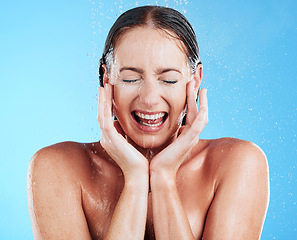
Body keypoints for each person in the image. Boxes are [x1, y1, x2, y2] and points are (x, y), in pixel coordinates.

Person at [27, 5, 269, 240]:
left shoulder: (237, 163)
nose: (150, 99)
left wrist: (163, 178)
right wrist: (135, 179)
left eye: (169, 80)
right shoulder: (57, 167)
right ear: (106, 79)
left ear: (194, 81)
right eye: (131, 78)